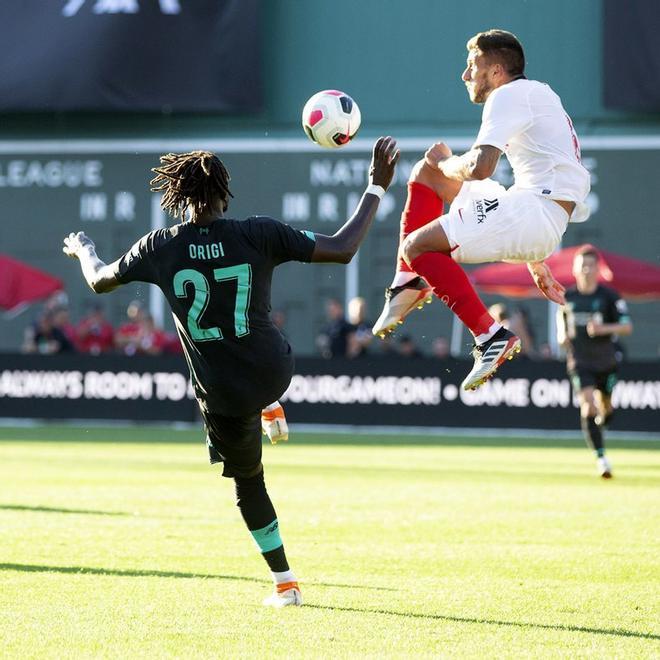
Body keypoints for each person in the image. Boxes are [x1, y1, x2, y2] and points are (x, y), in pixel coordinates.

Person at [63, 136, 399, 607]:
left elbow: (99, 281)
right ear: (224, 195)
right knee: (261, 338)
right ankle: (270, 403)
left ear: (177, 200)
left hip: (222, 391)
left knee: (249, 483)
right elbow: (343, 248)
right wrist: (376, 187)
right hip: (273, 368)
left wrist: (84, 249)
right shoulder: (257, 233)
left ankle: (286, 584)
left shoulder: (161, 245)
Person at [372, 29, 590, 392]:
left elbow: (480, 166)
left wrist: (448, 163)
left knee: (416, 246)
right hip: (534, 212)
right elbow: (548, 175)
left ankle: (490, 336)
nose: (464, 74)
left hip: (533, 213)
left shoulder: (507, 95)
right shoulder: (539, 93)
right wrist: (535, 259)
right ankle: (406, 282)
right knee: (424, 172)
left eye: (472, 64)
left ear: (496, 70)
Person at [557, 246, 632, 479]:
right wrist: (562, 335)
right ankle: (602, 459)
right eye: (582, 265)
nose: (586, 270)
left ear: (598, 268)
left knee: (605, 406)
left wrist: (603, 329)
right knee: (588, 405)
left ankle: (607, 414)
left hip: (606, 361)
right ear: (575, 269)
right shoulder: (567, 297)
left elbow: (627, 327)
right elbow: (562, 319)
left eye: (590, 265)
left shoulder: (609, 296)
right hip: (580, 361)